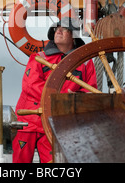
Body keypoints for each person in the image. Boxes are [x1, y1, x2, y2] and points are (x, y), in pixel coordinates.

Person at [12, 18, 97, 163]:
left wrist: (77, 98)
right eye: (57, 28)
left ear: (74, 37)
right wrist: (62, 99)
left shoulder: (86, 63)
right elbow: (30, 85)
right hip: (28, 122)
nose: (58, 31)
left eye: (65, 29)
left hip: (54, 124)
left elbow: (90, 90)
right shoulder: (38, 58)